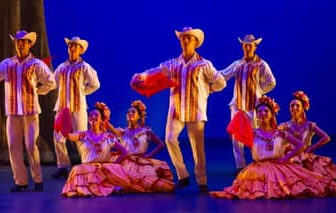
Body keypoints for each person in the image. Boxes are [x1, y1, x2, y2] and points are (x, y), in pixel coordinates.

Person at [131, 26, 226, 193]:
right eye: (183, 38)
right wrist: (141, 75)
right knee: (169, 138)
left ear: (196, 43)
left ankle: (202, 181)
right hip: (176, 109)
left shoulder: (204, 64)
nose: (185, 41)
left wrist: (208, 90)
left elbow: (221, 82)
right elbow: (156, 71)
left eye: (188, 38)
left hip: (196, 110)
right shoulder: (173, 63)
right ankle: (183, 174)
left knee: (198, 148)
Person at [0, 30, 56, 192]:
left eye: (23, 41)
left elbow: (51, 81)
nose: (20, 44)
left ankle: (38, 179)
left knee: (31, 146)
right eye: (17, 41)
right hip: (13, 112)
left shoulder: (36, 64)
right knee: (13, 147)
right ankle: (21, 181)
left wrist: (39, 90)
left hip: (30, 112)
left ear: (30, 44)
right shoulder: (8, 63)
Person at [210, 96, 336, 199]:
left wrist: (286, 157)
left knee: (298, 185)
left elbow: (301, 145)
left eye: (266, 111)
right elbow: (232, 131)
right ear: (257, 115)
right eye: (260, 112)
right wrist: (240, 113)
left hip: (278, 165)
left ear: (271, 114)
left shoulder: (280, 133)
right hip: (259, 167)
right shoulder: (253, 133)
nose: (263, 114)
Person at [220, 34, 276, 174]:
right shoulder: (237, 64)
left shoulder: (261, 64)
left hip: (253, 107)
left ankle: (257, 162)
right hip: (238, 106)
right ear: (242, 47)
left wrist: (259, 91)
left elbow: (271, 82)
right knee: (236, 137)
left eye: (250, 45)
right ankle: (240, 166)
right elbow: (223, 75)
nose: (247, 47)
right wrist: (207, 75)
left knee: (255, 135)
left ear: (255, 47)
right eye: (245, 45)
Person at [51, 36, 100, 179]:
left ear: (80, 50)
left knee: (81, 137)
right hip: (62, 107)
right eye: (70, 46)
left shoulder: (84, 67)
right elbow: (53, 83)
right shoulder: (62, 67)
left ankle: (85, 164)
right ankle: (62, 166)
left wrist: (82, 92)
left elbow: (95, 84)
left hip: (78, 108)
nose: (72, 48)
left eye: (75, 46)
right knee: (58, 137)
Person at [60, 102, 131, 197]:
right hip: (88, 168)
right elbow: (69, 136)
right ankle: (104, 188)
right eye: (91, 115)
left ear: (102, 120)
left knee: (113, 169)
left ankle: (103, 187)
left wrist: (114, 163)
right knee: (77, 169)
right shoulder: (83, 135)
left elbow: (125, 152)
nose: (93, 116)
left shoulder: (109, 137)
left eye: (96, 115)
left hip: (103, 167)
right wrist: (63, 124)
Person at [107, 100, 175, 192]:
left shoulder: (145, 131)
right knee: (120, 177)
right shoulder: (122, 132)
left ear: (139, 116)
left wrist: (149, 155)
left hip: (141, 161)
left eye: (133, 112)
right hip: (126, 161)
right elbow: (109, 127)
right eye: (128, 112)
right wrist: (105, 116)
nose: (130, 113)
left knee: (148, 181)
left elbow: (161, 144)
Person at [279, 91, 336, 179]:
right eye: (292, 106)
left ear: (302, 108)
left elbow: (326, 138)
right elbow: (274, 135)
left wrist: (310, 148)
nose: (294, 107)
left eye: (297, 105)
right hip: (290, 156)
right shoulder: (286, 125)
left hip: (305, 157)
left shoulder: (309, 125)